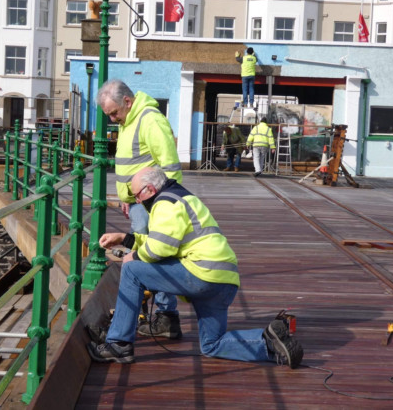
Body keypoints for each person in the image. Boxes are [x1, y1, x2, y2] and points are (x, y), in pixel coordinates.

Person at [87, 167, 304, 368]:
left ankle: (119, 344)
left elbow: (158, 250)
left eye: (137, 195)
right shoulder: (182, 197)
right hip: (224, 279)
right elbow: (166, 242)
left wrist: (132, 255)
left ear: (150, 189)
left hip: (202, 274)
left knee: (132, 270)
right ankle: (268, 343)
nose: (136, 200)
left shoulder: (165, 203)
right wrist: (126, 239)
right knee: (211, 344)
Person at [96, 79, 183, 339]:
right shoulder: (129, 120)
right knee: (145, 255)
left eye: (114, 113)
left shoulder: (149, 119)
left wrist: (163, 203)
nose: (112, 119)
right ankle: (155, 314)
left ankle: (167, 316)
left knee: (158, 254)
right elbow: (133, 162)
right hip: (138, 202)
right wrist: (126, 195)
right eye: (108, 115)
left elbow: (169, 165)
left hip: (152, 203)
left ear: (128, 101)